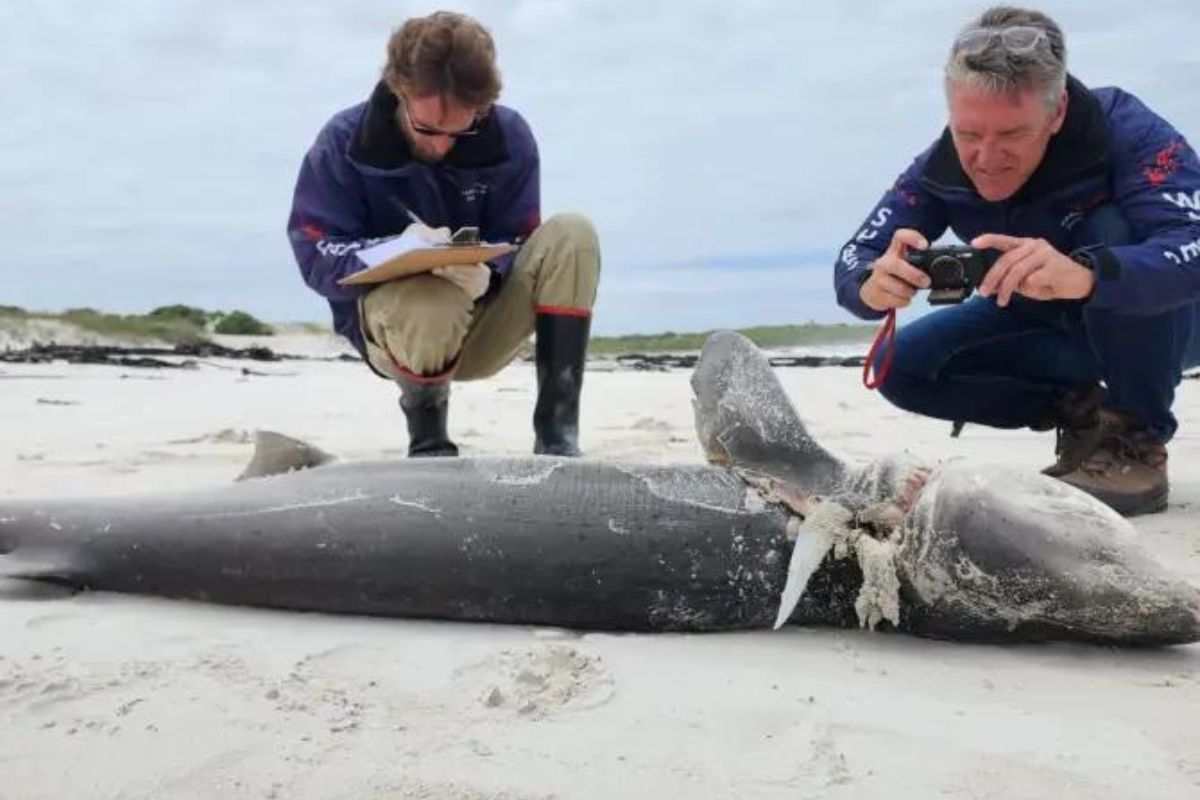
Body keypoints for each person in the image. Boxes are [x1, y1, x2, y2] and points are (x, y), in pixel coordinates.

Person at [833, 5, 1200, 516]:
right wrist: (871, 286)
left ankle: (1136, 438)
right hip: (1042, 321)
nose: (985, 157)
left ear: (1057, 113)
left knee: (1113, 231)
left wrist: (1086, 275)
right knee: (898, 364)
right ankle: (1084, 416)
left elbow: (1193, 245)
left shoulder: (1125, 131)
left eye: (1011, 135)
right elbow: (855, 258)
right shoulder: (937, 168)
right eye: (968, 134)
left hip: (1169, 322)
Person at [287, 11, 601, 458]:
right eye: (428, 128)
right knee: (432, 299)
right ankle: (429, 444)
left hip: (483, 321)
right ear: (399, 90)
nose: (442, 145)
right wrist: (393, 252)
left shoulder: (510, 138)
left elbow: (520, 237)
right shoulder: (342, 142)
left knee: (574, 234)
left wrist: (490, 271)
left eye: (461, 129)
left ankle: (558, 439)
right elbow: (313, 253)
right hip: (398, 332)